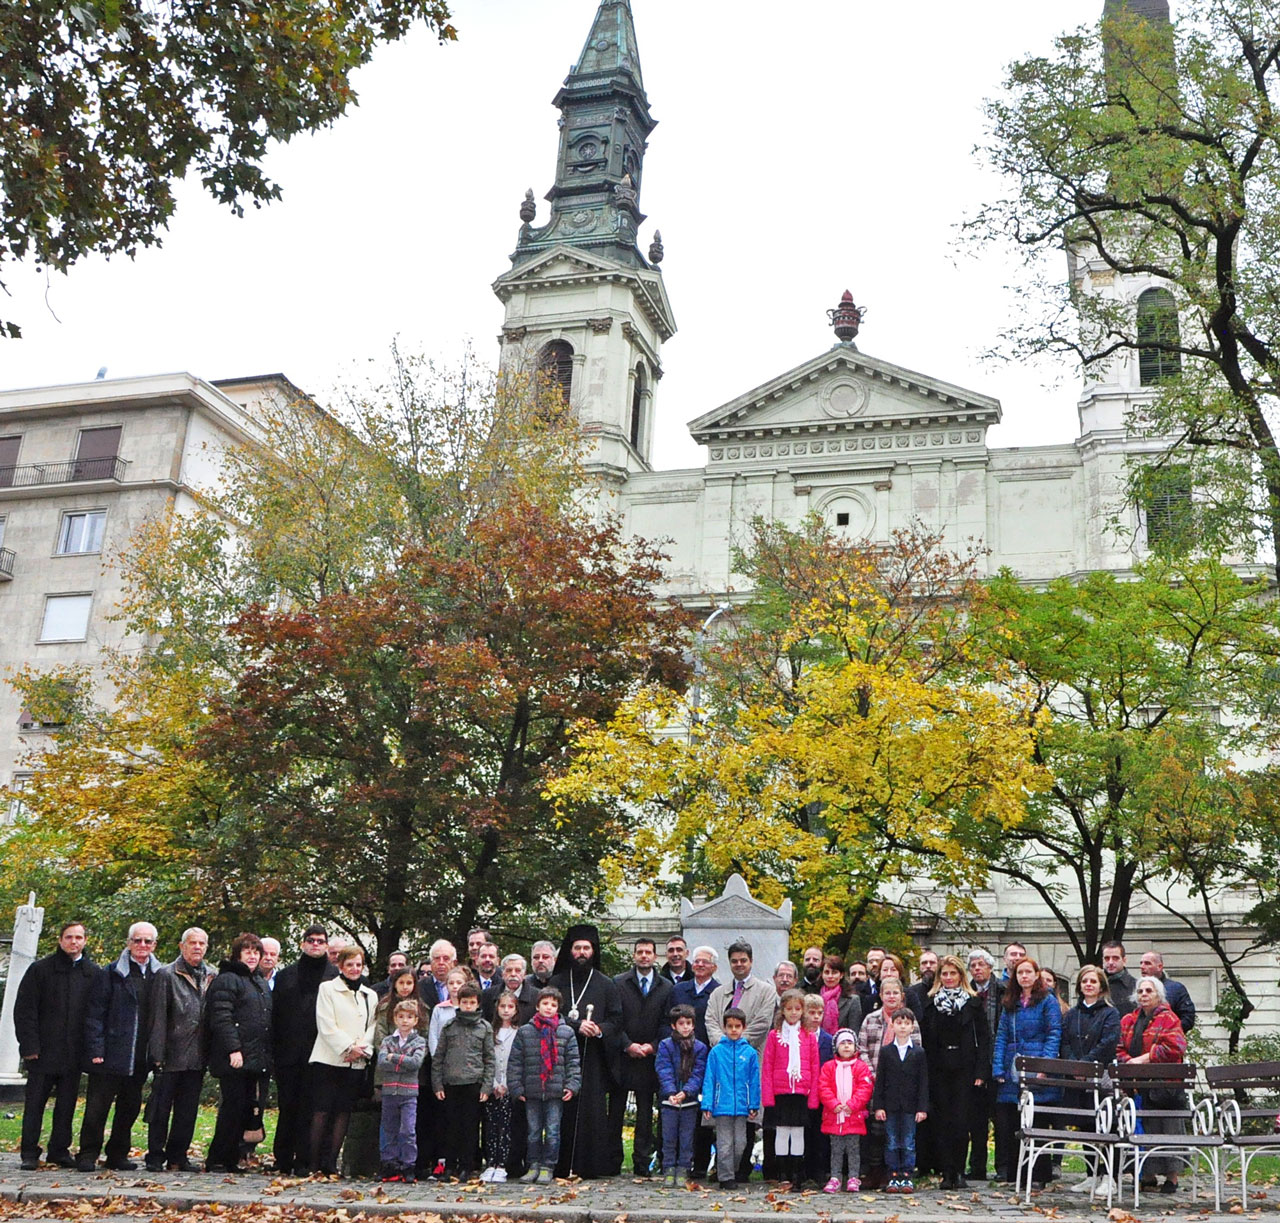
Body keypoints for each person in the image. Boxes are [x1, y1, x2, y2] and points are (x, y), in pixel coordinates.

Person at [77, 921, 162, 1172]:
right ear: (129, 943)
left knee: (129, 1109)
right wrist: (96, 1050)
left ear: (154, 945)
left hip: (139, 1057)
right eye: (137, 940)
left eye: (147, 941)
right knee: (96, 1109)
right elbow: (95, 1015)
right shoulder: (110, 973)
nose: (142, 945)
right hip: (110, 1055)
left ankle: (117, 1154)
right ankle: (88, 1153)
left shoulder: (159, 976)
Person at [15, 920, 95, 1170]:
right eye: (69, 937)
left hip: (73, 1053)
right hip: (42, 1052)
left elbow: (95, 1014)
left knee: (66, 1106)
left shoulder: (92, 973)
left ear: (85, 941)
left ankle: (59, 1150)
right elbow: (25, 1011)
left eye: (78, 937)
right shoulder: (40, 970)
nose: (74, 942)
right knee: (35, 1105)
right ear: (60, 940)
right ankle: (29, 1152)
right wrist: (29, 1046)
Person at [550, 923, 623, 1180]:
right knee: (561, 1109)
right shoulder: (556, 982)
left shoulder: (606, 984)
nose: (581, 952)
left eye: (586, 948)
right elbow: (548, 1013)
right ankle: (558, 1164)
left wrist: (598, 1029)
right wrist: (575, 1025)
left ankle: (591, 1165)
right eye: (577, 947)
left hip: (593, 1057)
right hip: (560, 1056)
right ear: (570, 951)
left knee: (591, 1109)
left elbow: (616, 1020)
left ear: (593, 951)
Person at [705, 940, 777, 1181]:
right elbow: (711, 1021)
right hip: (722, 1065)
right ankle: (724, 1172)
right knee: (724, 1127)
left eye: (743, 960)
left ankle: (741, 1169)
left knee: (745, 1124)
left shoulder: (766, 992)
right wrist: (723, 1045)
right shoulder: (718, 993)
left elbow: (761, 1024)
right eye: (734, 961)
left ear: (751, 961)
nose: (739, 965)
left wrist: (738, 1045)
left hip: (750, 1059)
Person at [270, 925, 338, 1175]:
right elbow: (275, 1015)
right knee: (287, 1106)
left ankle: (306, 1158)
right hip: (288, 1052)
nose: (315, 945)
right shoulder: (286, 975)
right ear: (302, 944)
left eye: (320, 941)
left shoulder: (334, 976)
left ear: (327, 945)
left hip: (321, 1053)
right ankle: (283, 1158)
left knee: (312, 1108)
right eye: (311, 940)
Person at [147, 927, 215, 1172]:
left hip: (197, 1055)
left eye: (202, 943)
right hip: (171, 1053)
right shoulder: (166, 975)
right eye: (192, 943)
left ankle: (179, 1155)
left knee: (187, 1112)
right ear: (182, 946)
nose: (197, 947)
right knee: (160, 1110)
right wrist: (157, 1055)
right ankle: (155, 1155)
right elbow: (158, 1018)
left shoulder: (211, 975)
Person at [920, 954, 990, 1189]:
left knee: (961, 1122)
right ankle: (946, 1171)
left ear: (961, 975)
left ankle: (959, 1171)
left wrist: (981, 1071)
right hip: (938, 1068)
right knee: (942, 1122)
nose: (949, 978)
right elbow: (926, 1040)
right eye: (945, 974)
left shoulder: (973, 1003)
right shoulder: (931, 1003)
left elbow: (984, 1039)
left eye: (953, 973)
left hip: (965, 1067)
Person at [205, 932, 272, 1173]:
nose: (253, 956)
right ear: (237, 955)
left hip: (254, 1056)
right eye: (248, 952)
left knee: (244, 1108)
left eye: (256, 952)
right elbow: (222, 1017)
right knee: (231, 1108)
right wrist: (233, 1049)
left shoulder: (259, 981)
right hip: (234, 1057)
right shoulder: (228, 979)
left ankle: (232, 1157)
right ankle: (218, 1158)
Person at [992, 956, 1061, 1188]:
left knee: (1036, 1120)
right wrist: (998, 1066)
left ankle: (1040, 1175)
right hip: (1013, 1065)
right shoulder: (1010, 1001)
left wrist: (1045, 1064)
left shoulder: (1047, 1001)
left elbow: (1053, 1033)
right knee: (1012, 1120)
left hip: (1037, 1062)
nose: (1024, 976)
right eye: (1020, 973)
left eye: (1028, 972)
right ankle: (1016, 1175)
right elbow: (1001, 1035)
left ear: (1036, 975)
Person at [309, 945, 377, 1176]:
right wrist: (347, 1046)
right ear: (341, 966)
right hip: (329, 1060)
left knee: (342, 1112)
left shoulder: (370, 994)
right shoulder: (327, 989)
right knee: (322, 1111)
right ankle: (313, 1162)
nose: (355, 969)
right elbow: (326, 1023)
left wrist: (360, 1049)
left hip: (355, 1063)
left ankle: (331, 1162)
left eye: (358, 964)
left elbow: (373, 1027)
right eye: (350, 964)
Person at [1118, 975, 1188, 1195]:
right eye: (1140, 991)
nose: (1144, 995)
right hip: (1137, 1086)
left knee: (1168, 1130)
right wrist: (1127, 1061)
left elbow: (1176, 1047)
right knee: (1143, 1128)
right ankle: (1146, 1175)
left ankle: (1172, 1178)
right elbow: (1119, 1048)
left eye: (1149, 991)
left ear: (1159, 995)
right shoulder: (1128, 1020)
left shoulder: (1169, 1019)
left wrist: (1144, 1059)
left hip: (1165, 1086)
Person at [611, 937, 673, 1177]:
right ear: (634, 956)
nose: (644, 956)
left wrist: (652, 1046)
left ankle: (642, 1161)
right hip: (624, 1056)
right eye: (640, 952)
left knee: (646, 1112)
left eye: (649, 952)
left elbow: (668, 1022)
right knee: (616, 1111)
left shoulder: (665, 987)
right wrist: (627, 1045)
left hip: (650, 1058)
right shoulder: (618, 983)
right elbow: (614, 1018)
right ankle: (613, 1159)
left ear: (655, 957)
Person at [511, 986, 581, 1186]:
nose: (549, 1008)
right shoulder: (525, 1031)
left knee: (552, 1130)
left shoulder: (566, 1032)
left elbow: (573, 1062)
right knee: (533, 1130)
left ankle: (548, 1166)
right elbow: (515, 1062)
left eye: (553, 1004)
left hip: (555, 1091)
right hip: (532, 1090)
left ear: (558, 1008)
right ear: (537, 1006)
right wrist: (516, 1087)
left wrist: (572, 1085)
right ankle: (532, 1164)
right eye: (545, 1003)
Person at [1061, 965, 1121, 1197]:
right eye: (1085, 981)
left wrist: (1087, 1063)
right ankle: (1091, 1175)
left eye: (1093, 982)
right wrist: (1075, 1065)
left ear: (1101, 986)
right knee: (1085, 1124)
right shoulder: (1072, 1014)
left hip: (1101, 1074)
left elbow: (1108, 1042)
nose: (1089, 985)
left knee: (1106, 1125)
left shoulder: (1110, 1013)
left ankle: (1110, 1177)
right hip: (1077, 1076)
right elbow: (1065, 1042)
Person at [856, 977, 919, 1189]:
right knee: (876, 1129)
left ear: (902, 996)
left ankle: (896, 1172)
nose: (891, 997)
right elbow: (861, 1048)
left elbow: (916, 1051)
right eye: (887, 993)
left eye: (895, 993)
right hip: (874, 1080)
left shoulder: (910, 1021)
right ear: (881, 996)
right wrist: (872, 1073)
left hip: (901, 1087)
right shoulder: (870, 1019)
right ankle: (875, 1171)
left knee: (900, 1133)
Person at [431, 983, 495, 1182]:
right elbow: (439, 1057)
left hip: (473, 1083)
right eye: (464, 1002)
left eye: (472, 1003)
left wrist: (486, 1086)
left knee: (470, 1128)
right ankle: (450, 1165)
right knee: (451, 1127)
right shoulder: (450, 1026)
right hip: (451, 1083)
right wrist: (437, 1084)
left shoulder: (484, 1027)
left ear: (477, 1004)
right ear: (459, 1002)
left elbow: (489, 1059)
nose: (468, 1006)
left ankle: (467, 1166)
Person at [761, 989, 820, 1190]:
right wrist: (767, 1096)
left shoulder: (809, 1037)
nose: (793, 1013)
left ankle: (797, 1174)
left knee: (798, 1133)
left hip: (801, 1092)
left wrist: (813, 1096)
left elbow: (814, 1066)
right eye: (789, 1009)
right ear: (782, 1011)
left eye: (797, 1009)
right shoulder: (774, 1035)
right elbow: (767, 1065)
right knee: (781, 1132)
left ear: (802, 1010)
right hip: (781, 1092)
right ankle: (782, 1173)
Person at [670, 945, 720, 1179]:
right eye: (697, 961)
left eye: (705, 962)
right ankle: (672, 1162)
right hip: (678, 1056)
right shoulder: (680, 989)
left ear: (714, 967)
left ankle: (700, 1163)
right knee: (674, 1110)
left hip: (706, 1057)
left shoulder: (719, 992)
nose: (699, 965)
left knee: (703, 1112)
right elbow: (667, 1019)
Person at [702, 1007, 761, 1191]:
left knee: (740, 1144)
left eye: (737, 1026)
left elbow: (754, 1080)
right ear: (724, 1027)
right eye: (730, 1026)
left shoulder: (750, 1053)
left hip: (742, 1106)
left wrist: (753, 1103)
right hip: (722, 1106)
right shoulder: (716, 1052)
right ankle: (725, 1177)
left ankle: (732, 1170)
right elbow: (709, 1078)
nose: (733, 1030)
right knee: (725, 1144)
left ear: (743, 1027)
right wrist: (708, 1103)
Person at [872, 1010, 930, 1193]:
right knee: (891, 1141)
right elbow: (880, 1081)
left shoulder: (919, 1052)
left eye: (906, 1023)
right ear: (892, 1025)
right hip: (890, 1105)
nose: (903, 1027)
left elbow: (923, 1082)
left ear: (912, 1027)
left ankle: (907, 1175)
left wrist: (922, 1108)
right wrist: (878, 1106)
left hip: (910, 1106)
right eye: (899, 1023)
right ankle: (893, 1175)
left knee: (908, 1142)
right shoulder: (886, 1051)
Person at [655, 1003, 707, 1186]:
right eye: (681, 1023)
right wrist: (671, 1092)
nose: (685, 1027)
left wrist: (686, 1092)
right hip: (669, 1100)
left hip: (689, 1102)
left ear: (693, 1025)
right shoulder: (665, 1045)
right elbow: (663, 1069)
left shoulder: (700, 1047)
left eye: (689, 1023)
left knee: (686, 1137)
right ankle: (668, 1168)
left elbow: (699, 1072)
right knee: (669, 1136)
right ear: (673, 1025)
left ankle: (684, 1167)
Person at [376, 999, 426, 1183]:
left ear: (415, 1020)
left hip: (408, 1094)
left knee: (407, 1130)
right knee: (388, 1129)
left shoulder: (419, 1041)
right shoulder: (387, 1040)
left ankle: (408, 1165)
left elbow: (415, 1064)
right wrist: (402, 1061)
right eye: (401, 1017)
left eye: (409, 1017)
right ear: (395, 1019)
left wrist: (394, 1057)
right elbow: (382, 1063)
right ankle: (389, 1164)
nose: (405, 1021)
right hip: (389, 1092)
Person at [819, 1027, 874, 1193]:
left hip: (853, 1116)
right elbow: (823, 1087)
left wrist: (853, 1104)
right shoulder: (829, 1067)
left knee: (853, 1150)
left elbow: (865, 1088)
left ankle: (853, 1177)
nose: (846, 1046)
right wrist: (833, 1104)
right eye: (842, 1043)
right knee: (835, 1150)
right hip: (834, 1116)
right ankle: (835, 1177)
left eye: (850, 1043)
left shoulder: (861, 1067)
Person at [965, 947, 1000, 1181]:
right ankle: (977, 1166)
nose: (977, 969)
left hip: (998, 1059)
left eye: (981, 964)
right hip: (974, 1061)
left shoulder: (1003, 990)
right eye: (973, 966)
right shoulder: (966, 992)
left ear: (990, 967)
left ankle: (1003, 1167)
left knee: (1000, 1118)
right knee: (975, 1118)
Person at [481, 990, 520, 1182]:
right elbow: (486, 1059)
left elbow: (516, 1061)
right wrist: (494, 1083)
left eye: (510, 1006)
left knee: (506, 1127)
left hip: (509, 1086)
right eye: (503, 1006)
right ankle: (490, 1163)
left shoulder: (518, 1031)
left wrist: (506, 1084)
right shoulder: (489, 1030)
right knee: (490, 1125)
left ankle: (502, 1164)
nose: (506, 1010)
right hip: (491, 1085)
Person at [1139, 950, 1196, 1033]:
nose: (1142, 966)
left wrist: (1169, 1031)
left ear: (1159, 967)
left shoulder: (1176, 989)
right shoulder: (1136, 989)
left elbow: (1188, 1018)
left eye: (1147, 963)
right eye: (1141, 963)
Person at [820, 955, 863, 1035]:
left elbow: (854, 1031)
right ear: (822, 974)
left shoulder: (852, 1000)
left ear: (841, 975)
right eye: (826, 972)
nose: (830, 976)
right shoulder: (815, 998)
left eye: (834, 972)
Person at [904, 950, 939, 1019]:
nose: (928, 966)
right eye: (924, 963)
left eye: (932, 963)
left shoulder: (946, 990)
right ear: (919, 967)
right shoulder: (911, 992)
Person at [1101, 942, 1136, 1008]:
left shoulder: (1136, 986)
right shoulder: (1095, 985)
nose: (1110, 962)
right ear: (1103, 960)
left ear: (1124, 960)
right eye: (1107, 958)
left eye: (1115, 958)